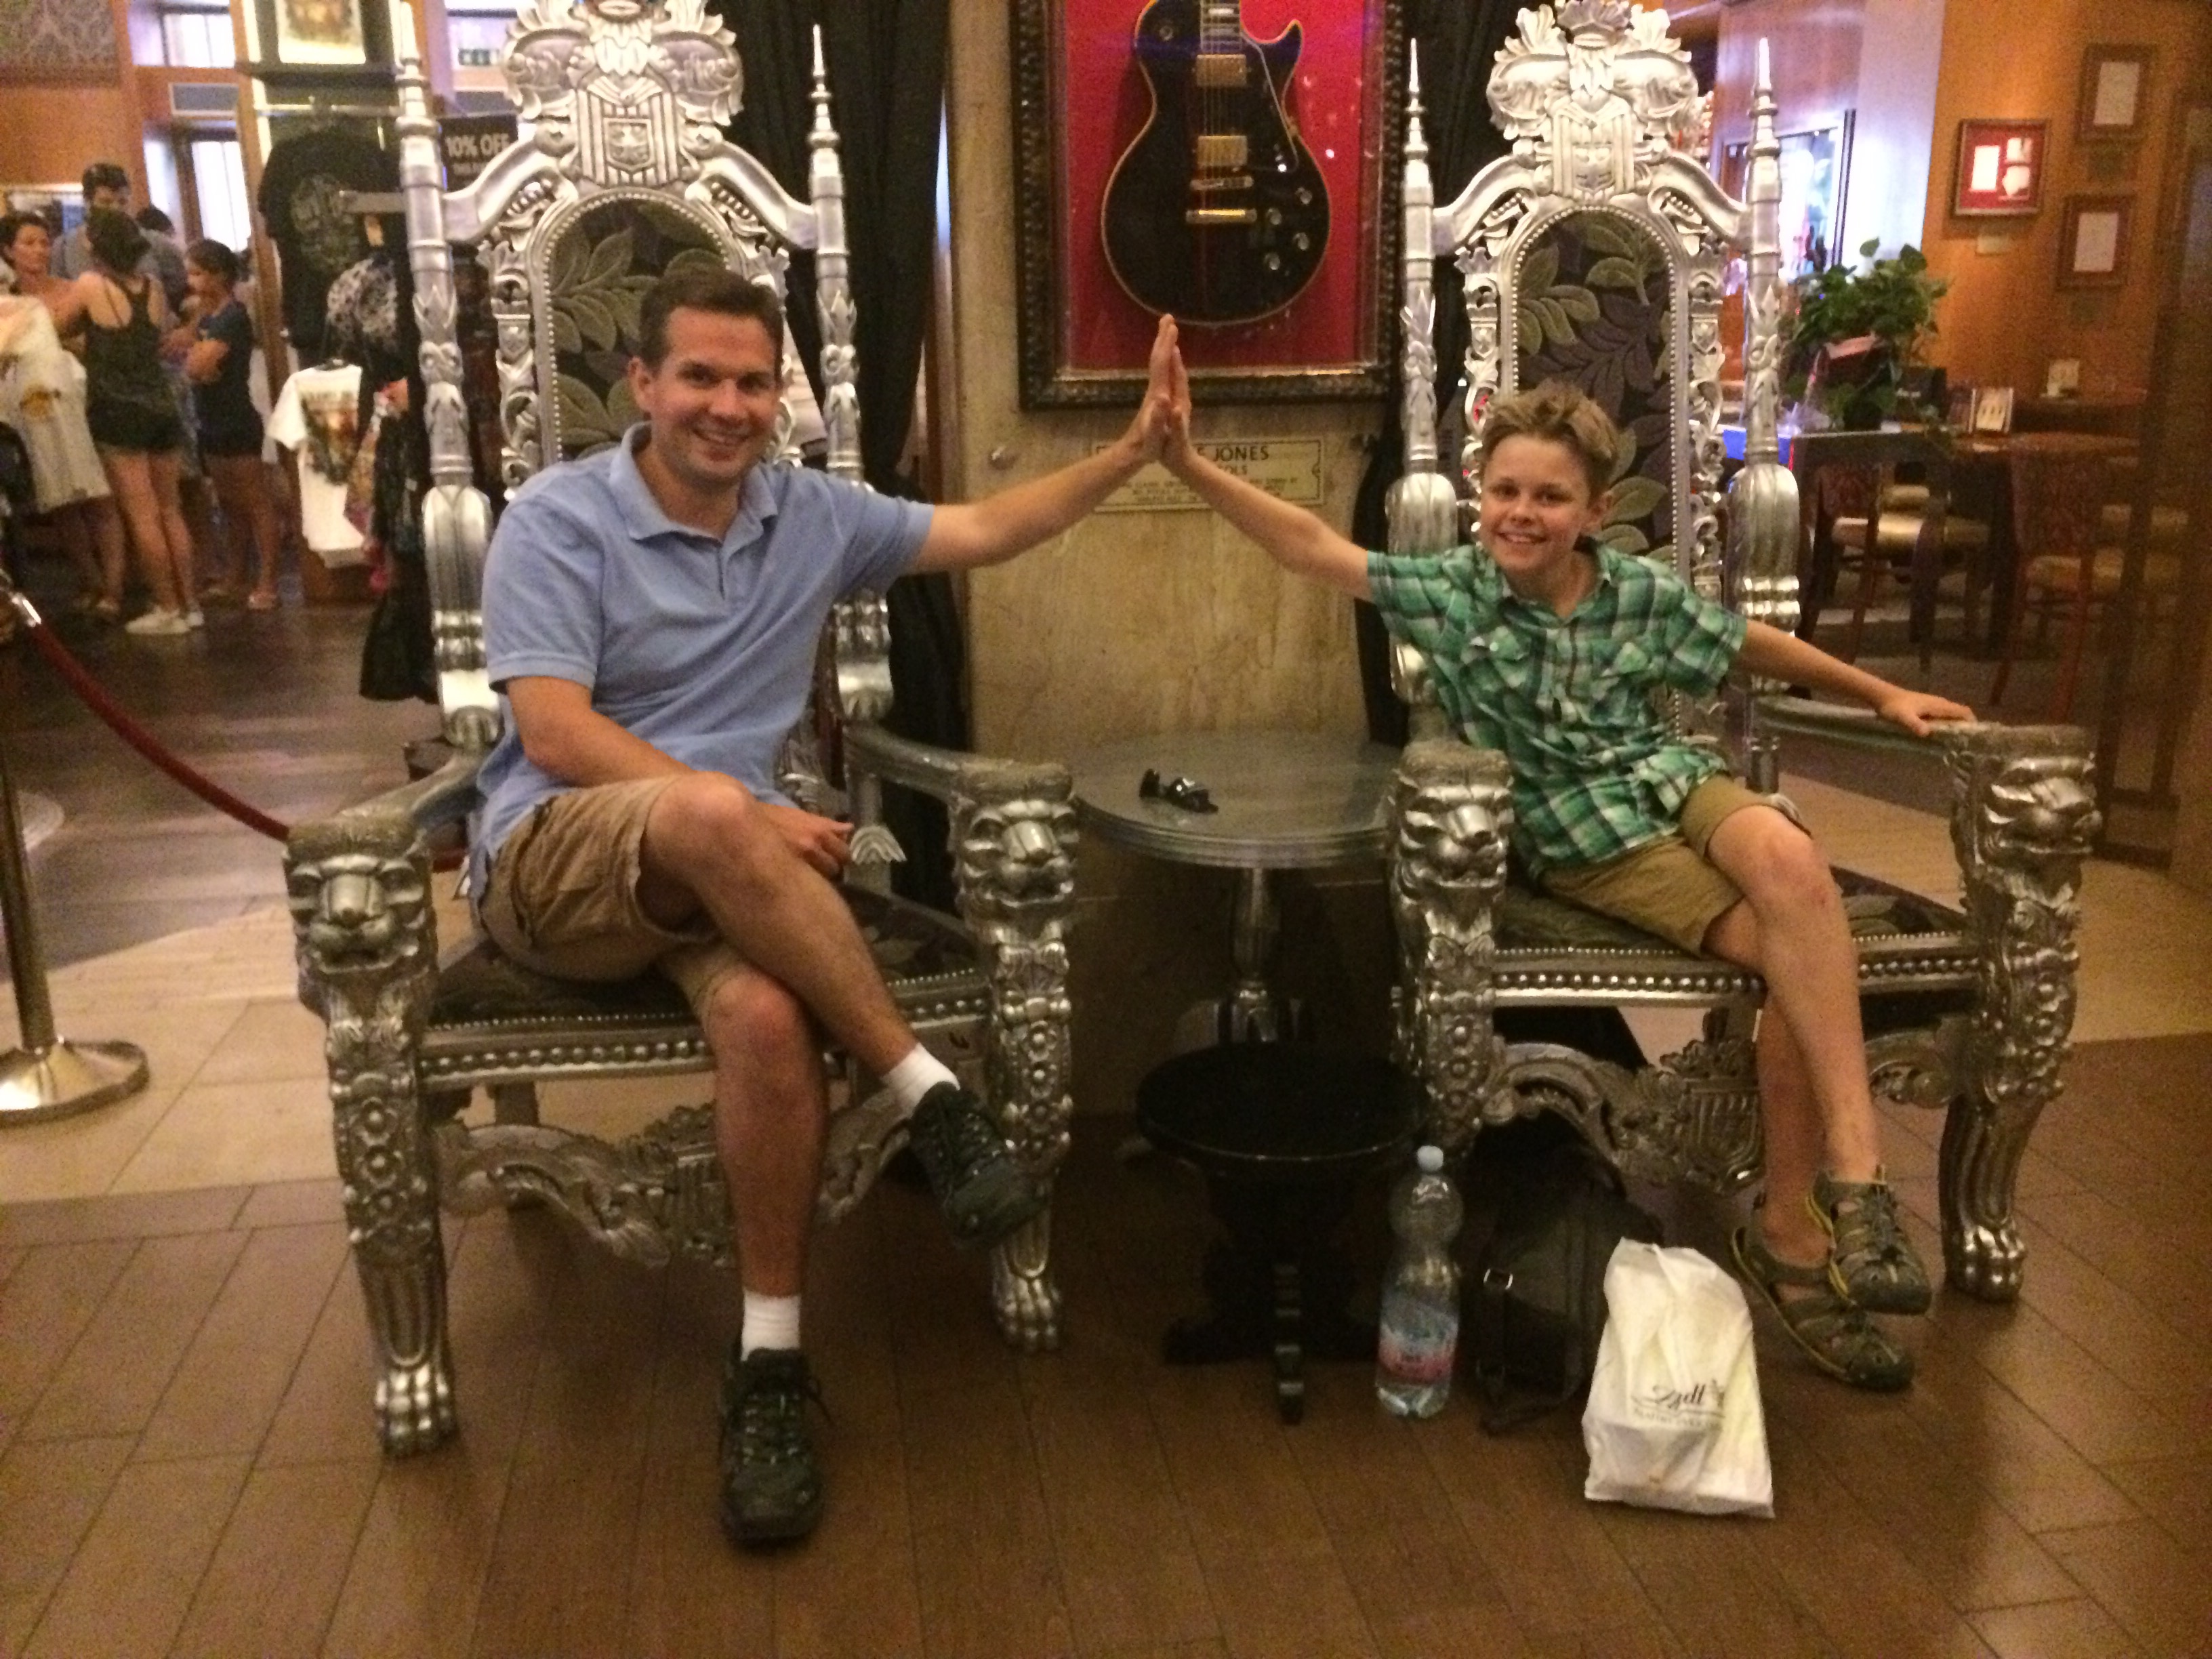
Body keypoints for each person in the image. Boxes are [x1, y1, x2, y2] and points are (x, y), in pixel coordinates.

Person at [472, 266, 1179, 1544]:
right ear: (641, 383)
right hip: (559, 859)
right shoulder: (558, 518)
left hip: (729, 880)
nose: (727, 406)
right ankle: (931, 1096)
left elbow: (985, 528)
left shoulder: (805, 513)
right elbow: (557, 732)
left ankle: (770, 1363)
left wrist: (1130, 454)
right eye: (699, 376)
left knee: (763, 1020)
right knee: (710, 811)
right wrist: (741, 818)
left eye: (752, 382)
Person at [1155, 349, 1973, 1393]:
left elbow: (1751, 646)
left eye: (1549, 497)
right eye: (1505, 491)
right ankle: (1790, 1235)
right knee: (1797, 952)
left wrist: (1881, 694)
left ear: (1593, 511)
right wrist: (1189, 464)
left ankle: (1856, 1185)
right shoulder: (1454, 595)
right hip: (1591, 838)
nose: (1522, 513)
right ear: (1478, 497)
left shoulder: (1635, 593)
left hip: (1676, 782)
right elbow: (1311, 547)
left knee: (1788, 857)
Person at [47, 208, 199, 635]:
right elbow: (148, 338)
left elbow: (56, 326)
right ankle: (190, 605)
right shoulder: (153, 287)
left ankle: (166, 608)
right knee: (171, 510)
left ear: (96, 246)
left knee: (141, 515)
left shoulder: (90, 284)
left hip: (118, 410)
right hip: (160, 404)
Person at [0, 211, 127, 619]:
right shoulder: (7, 302)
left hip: (84, 399)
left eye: (44, 242)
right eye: (29, 243)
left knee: (100, 496)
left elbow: (101, 346)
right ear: (9, 251)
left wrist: (63, 346)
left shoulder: (73, 291)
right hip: (31, 404)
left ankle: (115, 588)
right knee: (60, 500)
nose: (39, 250)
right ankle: (90, 580)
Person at [179, 240, 282, 609]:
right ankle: (235, 576)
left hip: (236, 419)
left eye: (197, 273)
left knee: (255, 502)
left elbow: (196, 366)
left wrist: (193, 355)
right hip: (209, 419)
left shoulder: (233, 316)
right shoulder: (206, 315)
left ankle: (268, 581)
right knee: (228, 504)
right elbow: (182, 348)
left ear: (219, 275)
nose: (190, 281)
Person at [52, 163, 134, 281]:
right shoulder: (64, 248)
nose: (115, 209)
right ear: (88, 202)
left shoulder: (155, 244)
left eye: (123, 202)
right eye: (105, 202)